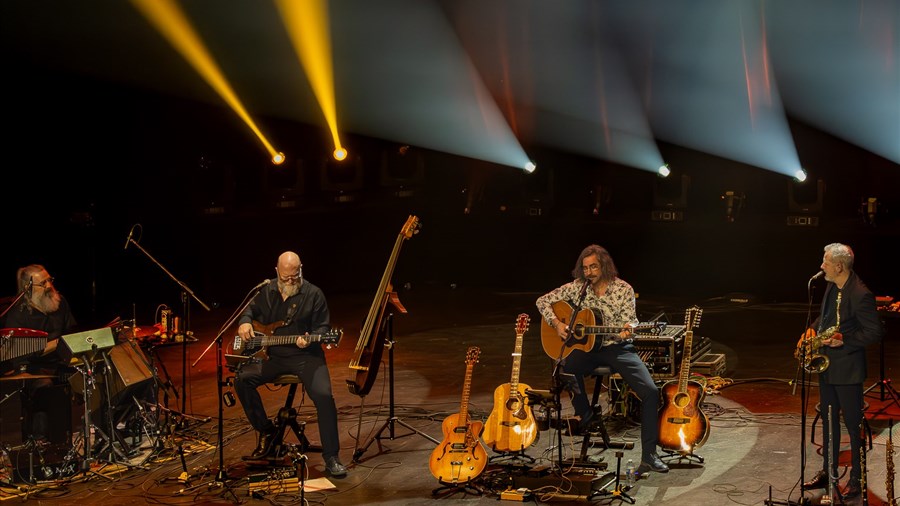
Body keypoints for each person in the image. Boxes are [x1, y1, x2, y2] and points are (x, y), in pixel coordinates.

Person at [536, 244, 669, 474]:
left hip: (617, 348)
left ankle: (649, 455)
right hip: (587, 348)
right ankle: (586, 416)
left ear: (604, 266)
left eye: (594, 267)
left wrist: (626, 331)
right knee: (564, 366)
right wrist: (558, 324)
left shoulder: (623, 289)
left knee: (650, 391)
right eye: (585, 268)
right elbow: (541, 301)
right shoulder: (578, 288)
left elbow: (630, 323)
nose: (589, 272)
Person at [233, 251, 347, 477]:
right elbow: (249, 311)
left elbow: (323, 329)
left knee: (324, 397)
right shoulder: (266, 291)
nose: (290, 282)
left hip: (307, 357)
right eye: (285, 278)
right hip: (273, 357)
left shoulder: (314, 294)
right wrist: (245, 322)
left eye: (295, 277)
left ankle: (332, 457)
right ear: (276, 272)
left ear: (301, 270)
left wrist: (311, 338)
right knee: (242, 379)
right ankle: (267, 431)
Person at [802, 243, 883, 499]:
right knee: (828, 422)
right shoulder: (831, 286)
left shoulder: (860, 294)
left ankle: (857, 479)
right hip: (827, 366)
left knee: (851, 424)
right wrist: (812, 330)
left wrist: (844, 341)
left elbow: (875, 331)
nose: (821, 266)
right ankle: (828, 471)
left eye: (825, 262)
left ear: (839, 266)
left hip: (848, 370)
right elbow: (824, 318)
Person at [2, 264, 77, 442]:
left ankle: (109, 431)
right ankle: (40, 442)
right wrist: (55, 344)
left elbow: (71, 332)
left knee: (100, 370)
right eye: (43, 283)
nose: (49, 286)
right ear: (28, 288)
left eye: (49, 280)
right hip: (33, 367)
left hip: (61, 361)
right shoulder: (18, 314)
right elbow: (18, 356)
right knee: (45, 386)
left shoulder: (60, 302)